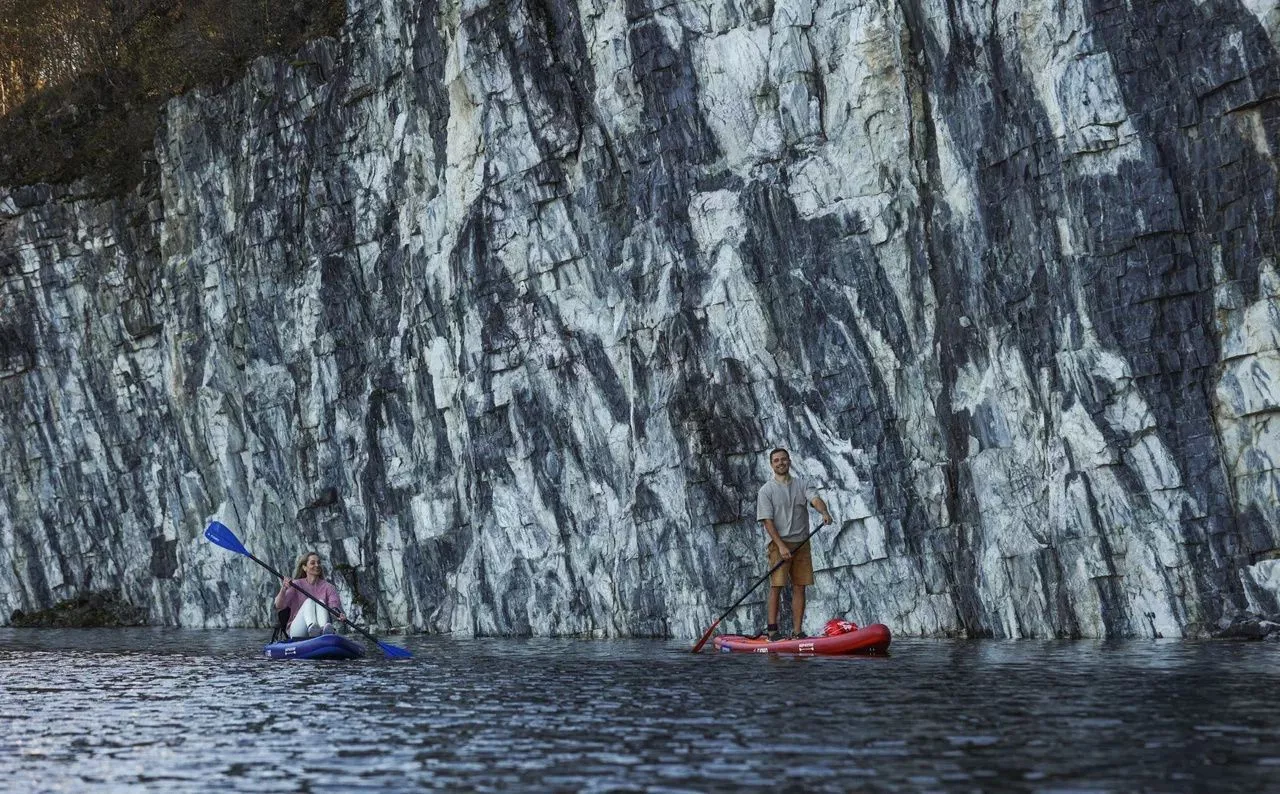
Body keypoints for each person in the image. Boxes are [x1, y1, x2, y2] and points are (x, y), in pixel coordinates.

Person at [756, 447, 833, 640]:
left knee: (800, 586)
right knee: (777, 585)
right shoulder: (766, 491)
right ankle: (772, 630)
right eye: (776, 460)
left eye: (783, 459)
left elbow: (815, 500)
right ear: (771, 465)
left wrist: (823, 512)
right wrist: (781, 546)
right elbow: (767, 521)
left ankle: (797, 631)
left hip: (801, 543)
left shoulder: (802, 484)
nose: (780, 463)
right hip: (778, 544)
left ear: (789, 461)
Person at [274, 551, 347, 639]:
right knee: (310, 601)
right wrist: (284, 588)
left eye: (318, 562)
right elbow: (278, 605)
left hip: (321, 628)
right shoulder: (296, 585)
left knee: (320, 601)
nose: (317, 565)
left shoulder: (329, 587)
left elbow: (334, 607)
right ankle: (312, 628)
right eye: (312, 563)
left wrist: (339, 615)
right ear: (304, 567)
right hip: (298, 630)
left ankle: (324, 629)